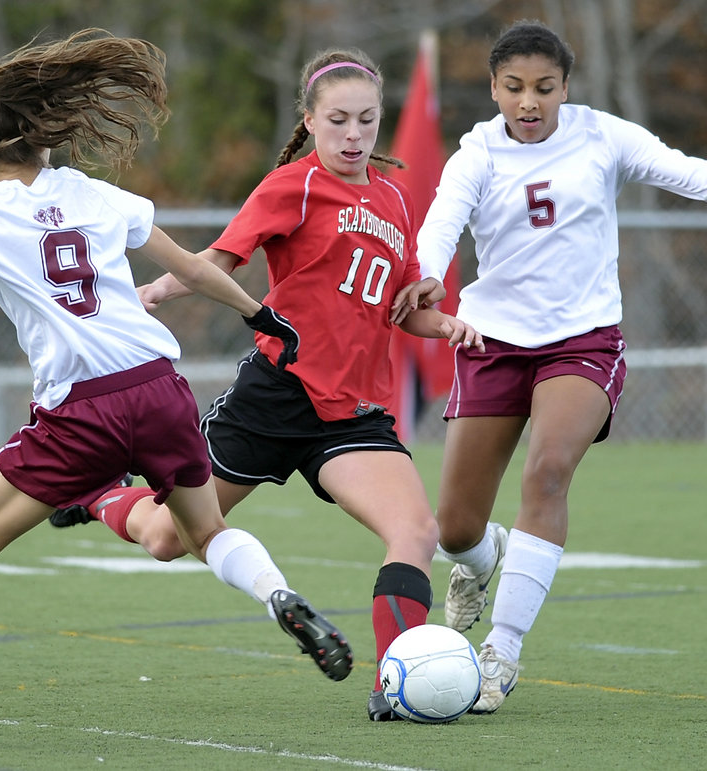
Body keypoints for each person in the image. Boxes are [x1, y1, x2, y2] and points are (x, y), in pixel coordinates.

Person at [0, 29, 354, 750]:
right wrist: (260, 314)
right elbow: (196, 267)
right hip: (159, 388)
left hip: (82, 409)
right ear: (44, 138)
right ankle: (281, 596)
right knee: (206, 531)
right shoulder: (91, 194)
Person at [48, 46, 484, 722]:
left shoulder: (395, 200)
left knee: (416, 531)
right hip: (273, 398)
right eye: (337, 120)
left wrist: (447, 323)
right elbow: (218, 259)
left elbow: (401, 309)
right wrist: (159, 288)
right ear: (309, 120)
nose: (353, 135)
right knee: (167, 538)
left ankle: (394, 679)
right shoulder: (294, 184)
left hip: (352, 416)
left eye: (366, 121)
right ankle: (101, 493)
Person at [401, 19, 707, 714]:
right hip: (491, 343)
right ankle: (482, 561)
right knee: (453, 528)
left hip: (582, 342)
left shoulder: (602, 135)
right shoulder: (476, 154)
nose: (529, 102)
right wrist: (423, 275)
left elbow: (689, 175)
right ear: (494, 89)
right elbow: (440, 225)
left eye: (543, 88)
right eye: (513, 88)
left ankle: (501, 651)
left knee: (548, 471)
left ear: (566, 86)